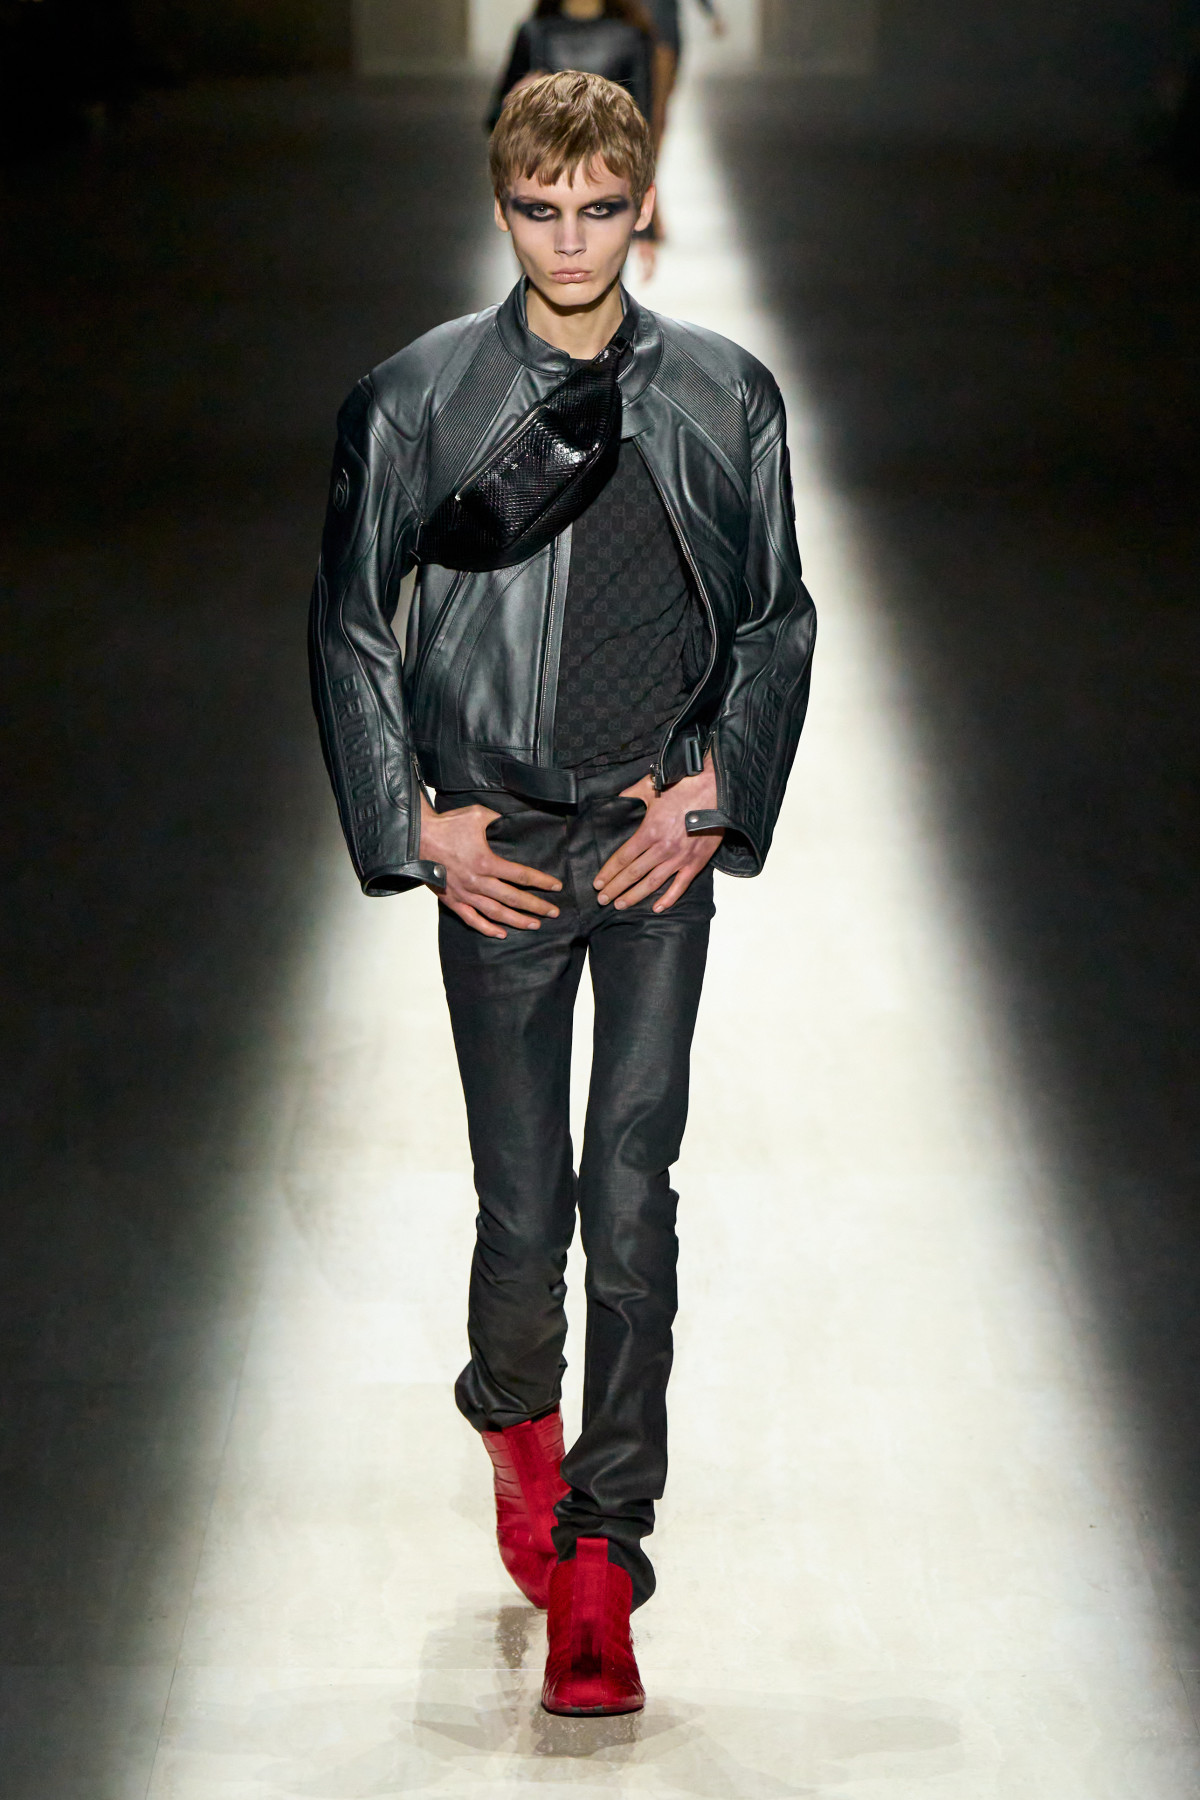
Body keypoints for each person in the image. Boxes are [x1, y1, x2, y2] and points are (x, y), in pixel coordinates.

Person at [309, 69, 815, 1717]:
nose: (573, 239)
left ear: (642, 203)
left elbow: (777, 616)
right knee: (526, 1213)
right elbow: (348, 621)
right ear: (504, 204)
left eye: (601, 208)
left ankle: (604, 1557)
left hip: (651, 844)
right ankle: (511, 1411)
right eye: (542, 209)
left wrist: (720, 783)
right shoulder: (416, 400)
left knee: (631, 1195)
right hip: (504, 854)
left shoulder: (726, 394)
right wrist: (418, 827)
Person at [487, 0, 657, 133]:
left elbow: (640, 122)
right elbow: (496, 120)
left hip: (604, 157)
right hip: (544, 156)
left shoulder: (631, 38)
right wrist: (517, 102)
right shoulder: (534, 34)